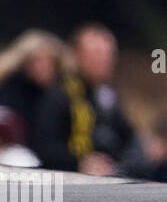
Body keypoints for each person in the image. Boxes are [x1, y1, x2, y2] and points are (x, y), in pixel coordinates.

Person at [30, 23, 139, 176]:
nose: (104, 60)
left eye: (109, 54)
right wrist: (79, 162)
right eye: (96, 54)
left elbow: (127, 137)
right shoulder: (59, 94)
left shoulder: (106, 96)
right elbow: (43, 146)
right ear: (76, 55)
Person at [0, 29, 68, 164]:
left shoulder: (63, 94)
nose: (43, 67)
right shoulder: (11, 90)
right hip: (15, 159)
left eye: (49, 61)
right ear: (25, 63)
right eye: (37, 61)